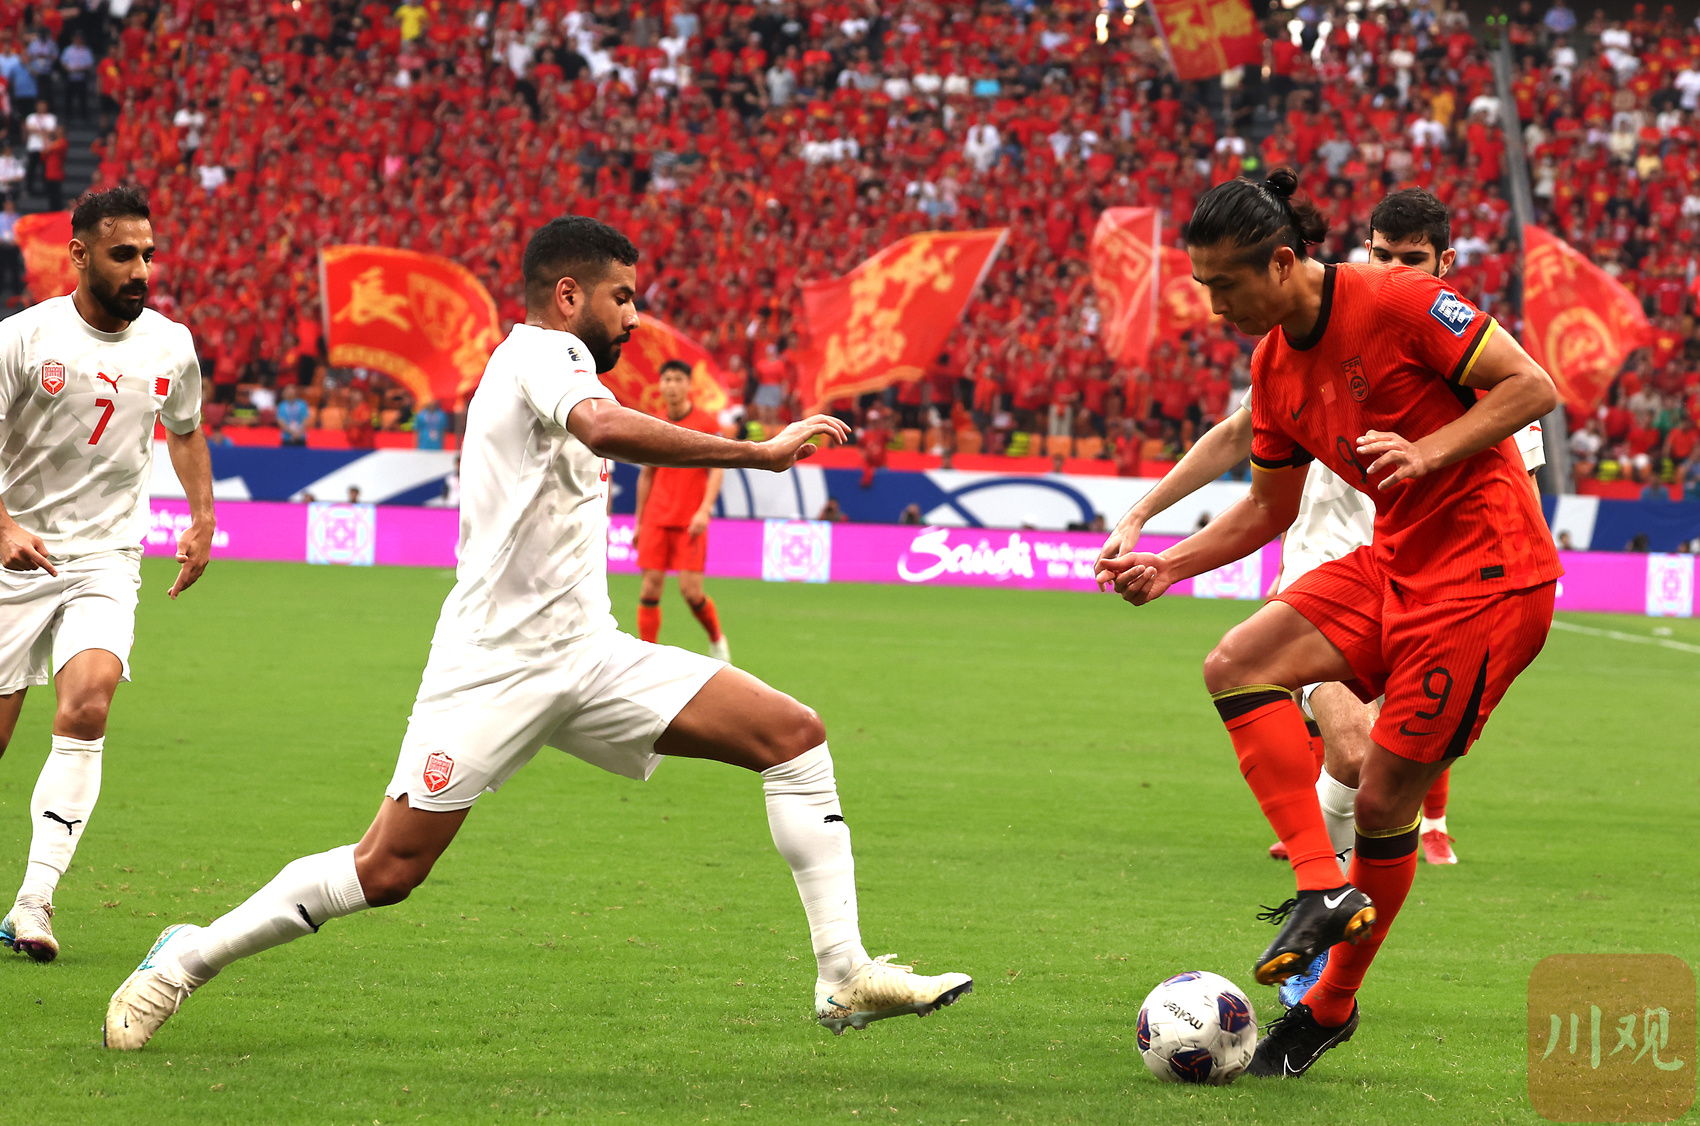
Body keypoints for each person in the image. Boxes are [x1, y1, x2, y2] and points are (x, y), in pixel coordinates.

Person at [104, 215, 971, 1050]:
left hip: (590, 655)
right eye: (622, 297)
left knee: (793, 736)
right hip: (494, 667)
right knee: (386, 870)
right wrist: (757, 452)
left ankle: (843, 971)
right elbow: (603, 428)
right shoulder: (539, 355)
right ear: (567, 295)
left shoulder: (564, 367)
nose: (634, 317)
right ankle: (183, 959)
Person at [1100, 170, 1560, 1076]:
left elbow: (1532, 386)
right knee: (1237, 663)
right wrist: (1169, 562)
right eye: (1202, 286)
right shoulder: (1274, 364)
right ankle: (1321, 887)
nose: (1215, 306)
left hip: (1485, 581)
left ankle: (1329, 1004)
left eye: (1225, 285)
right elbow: (1268, 509)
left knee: (1383, 799)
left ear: (1282, 262)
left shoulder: (1398, 300)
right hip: (1396, 563)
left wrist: (1427, 452)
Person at [0, 187, 214, 963]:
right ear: (80, 254)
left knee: (88, 705)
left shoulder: (170, 345)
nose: (141, 270)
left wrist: (202, 516)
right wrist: (3, 526)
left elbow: (184, 429)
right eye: (124, 254)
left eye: (148, 255)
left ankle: (34, 902)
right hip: (14, 552)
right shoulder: (24, 340)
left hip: (105, 556)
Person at [633, 359, 730, 663]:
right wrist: (639, 522)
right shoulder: (654, 424)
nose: (672, 385)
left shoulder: (706, 424)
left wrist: (705, 510)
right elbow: (646, 475)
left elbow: (717, 469)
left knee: (691, 592)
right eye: (667, 379)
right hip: (656, 518)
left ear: (689, 385)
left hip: (690, 520)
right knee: (650, 588)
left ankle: (716, 638)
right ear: (660, 385)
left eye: (678, 379)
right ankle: (646, 658)